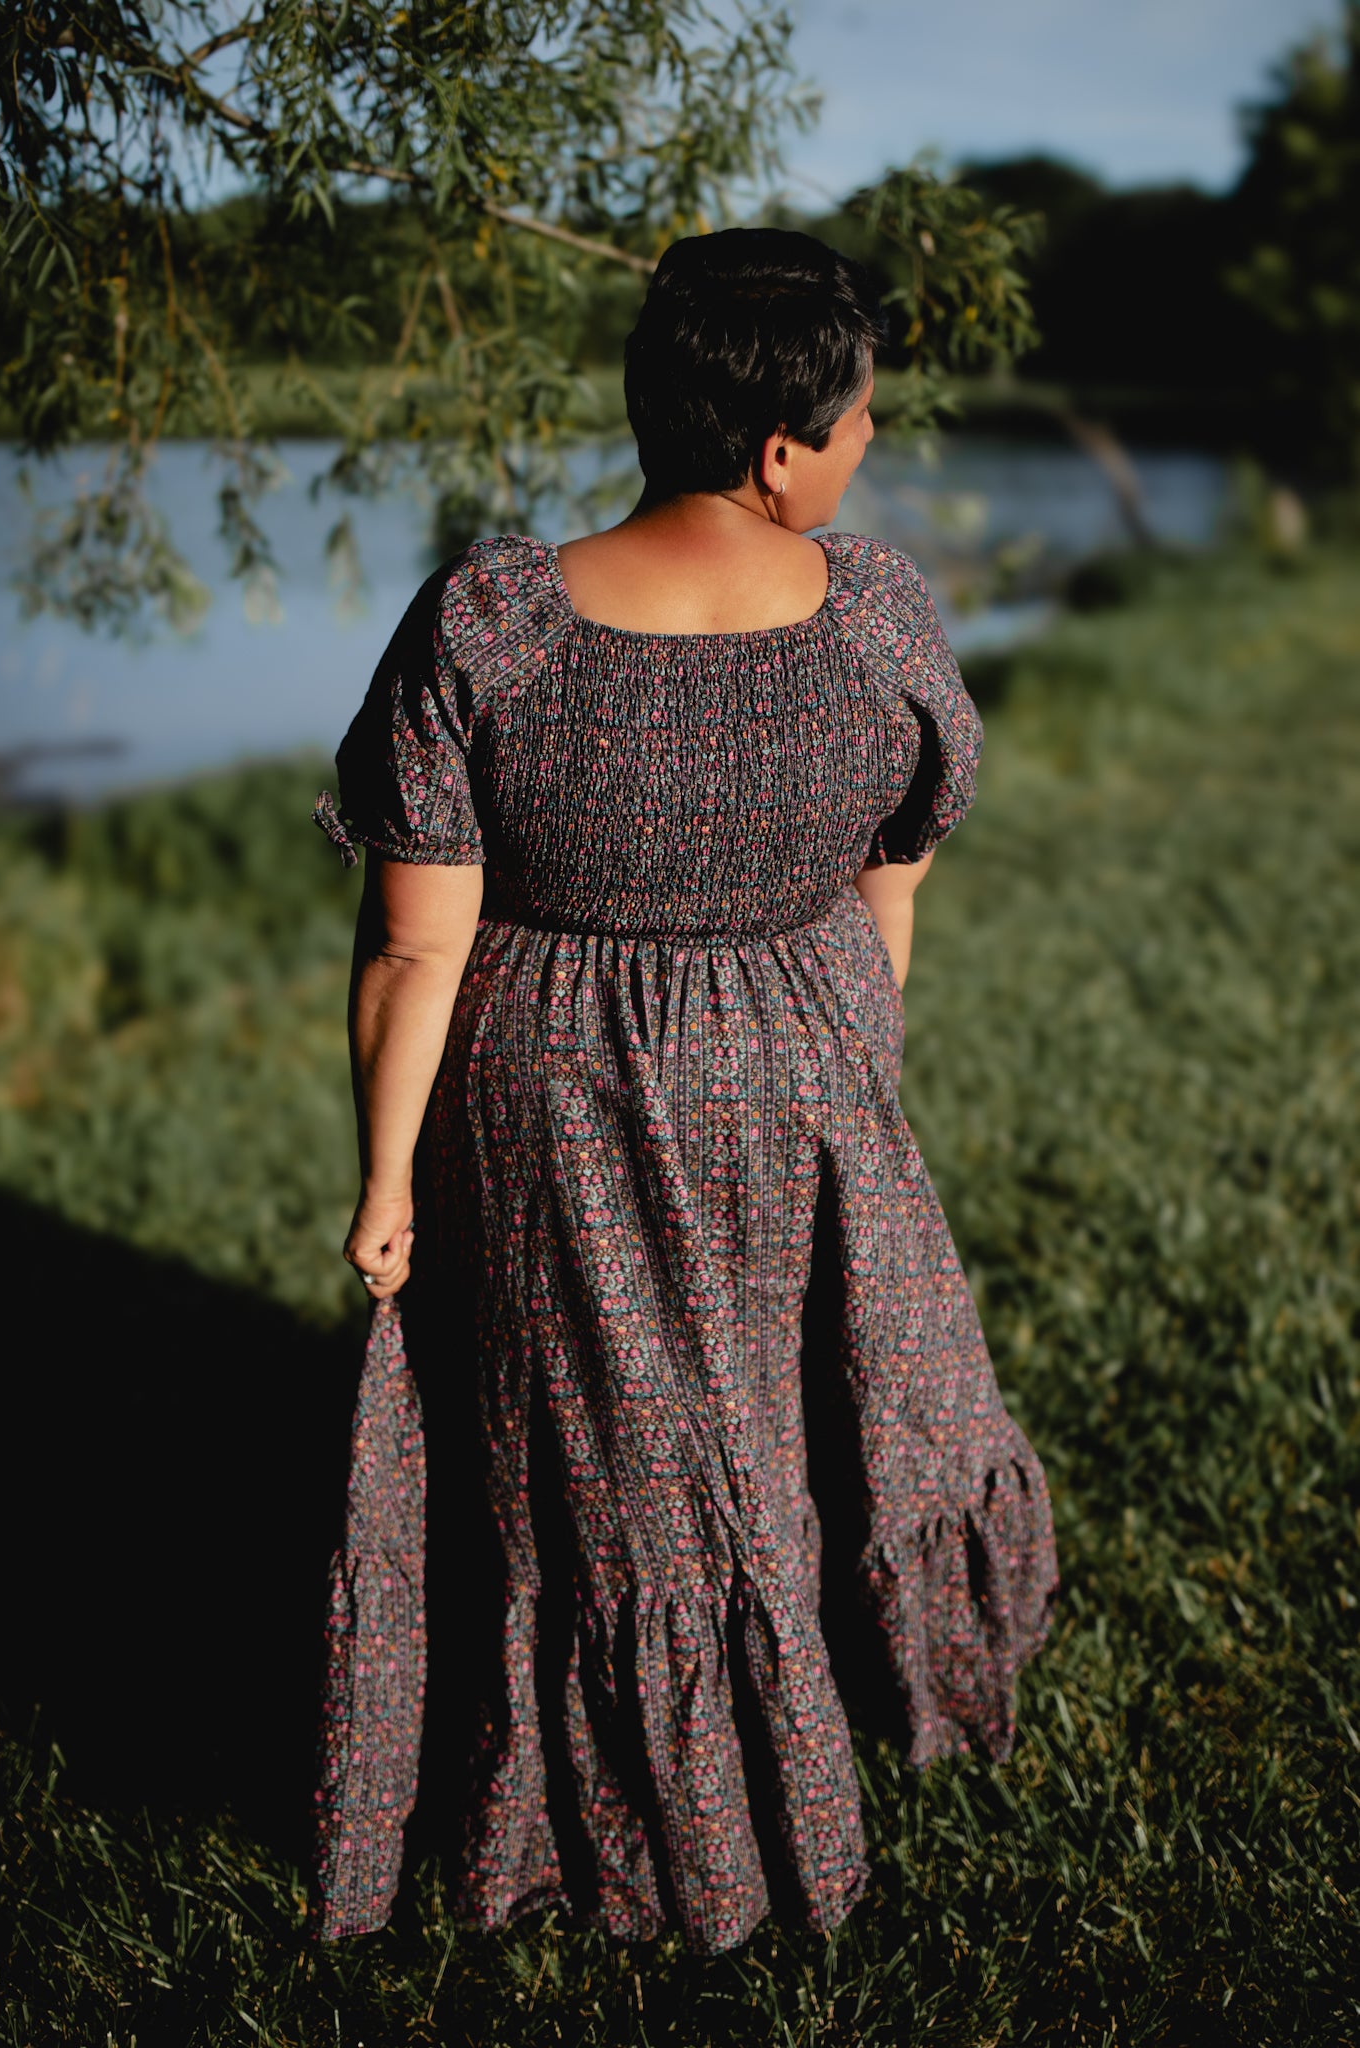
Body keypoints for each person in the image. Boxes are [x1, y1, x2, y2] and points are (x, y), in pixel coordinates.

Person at [312, 227, 1058, 1957]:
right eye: (861, 416)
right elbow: (896, 870)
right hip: (799, 1060)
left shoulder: (488, 614)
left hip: (545, 1086)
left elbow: (415, 953)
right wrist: (858, 1056)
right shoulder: (876, 611)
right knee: (788, 1411)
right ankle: (810, 1743)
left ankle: (588, 1814)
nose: (870, 442)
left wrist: (386, 1183)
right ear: (781, 449)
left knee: (591, 1463)